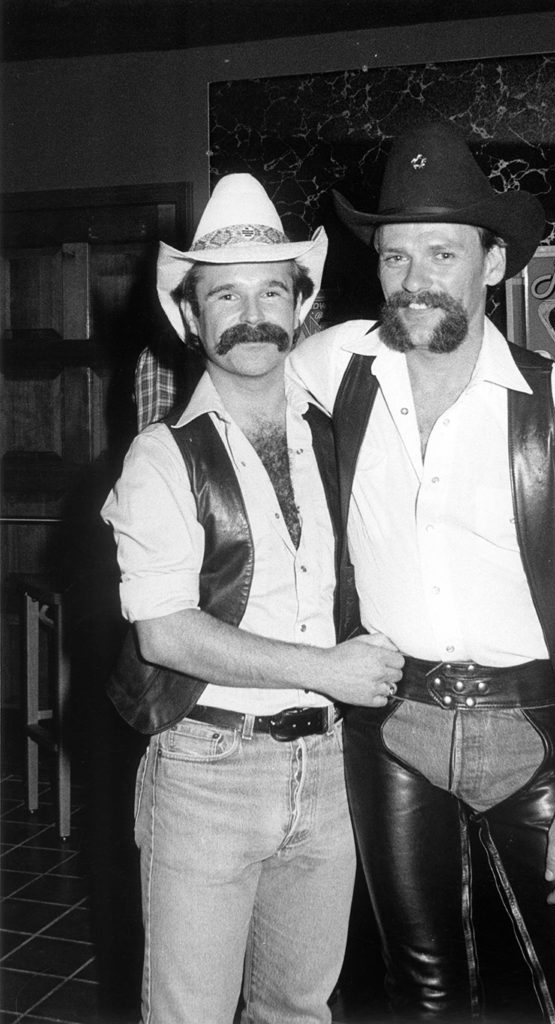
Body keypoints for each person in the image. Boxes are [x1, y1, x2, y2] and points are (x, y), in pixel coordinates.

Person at [288, 122, 555, 1023]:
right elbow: (233, 393)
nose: (414, 281)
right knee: (423, 992)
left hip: (530, 734)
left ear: (491, 265)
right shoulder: (337, 365)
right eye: (395, 256)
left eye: (440, 254)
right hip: (393, 728)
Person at [101, 173, 403, 1024]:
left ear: (300, 305)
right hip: (208, 770)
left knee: (299, 1010)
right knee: (187, 1014)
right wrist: (330, 670)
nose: (252, 313)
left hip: (335, 770)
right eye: (224, 295)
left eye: (272, 289)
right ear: (192, 318)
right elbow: (165, 634)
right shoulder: (161, 459)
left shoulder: (343, 432)